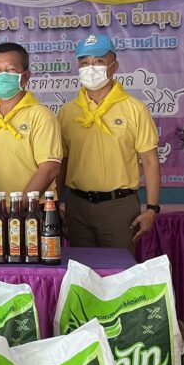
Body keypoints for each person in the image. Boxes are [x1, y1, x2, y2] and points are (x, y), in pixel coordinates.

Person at [57, 34, 160, 250]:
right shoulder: (67, 112)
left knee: (119, 268)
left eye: (99, 61)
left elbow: (150, 161)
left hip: (119, 207)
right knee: (80, 267)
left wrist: (152, 208)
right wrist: (55, 203)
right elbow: (61, 163)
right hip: (77, 206)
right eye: (84, 63)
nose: (91, 68)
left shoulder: (135, 109)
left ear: (114, 67)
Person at [0, 42, 62, 195]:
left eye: (10, 69)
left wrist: (20, 204)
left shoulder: (41, 116)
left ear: (26, 76)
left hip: (33, 206)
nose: (3, 75)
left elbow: (49, 169)